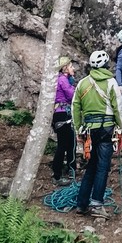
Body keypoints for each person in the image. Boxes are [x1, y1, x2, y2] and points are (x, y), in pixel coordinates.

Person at [72, 50, 122, 217]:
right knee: (102, 167)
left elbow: (75, 106)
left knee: (92, 166)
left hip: (89, 130)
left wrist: (78, 129)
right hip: (106, 129)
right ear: (106, 64)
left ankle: (82, 204)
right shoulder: (111, 83)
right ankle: (96, 204)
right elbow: (119, 108)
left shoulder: (82, 83)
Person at [51, 56, 76, 185]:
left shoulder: (64, 79)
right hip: (62, 115)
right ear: (65, 68)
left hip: (63, 114)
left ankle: (71, 169)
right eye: (71, 66)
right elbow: (71, 95)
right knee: (63, 145)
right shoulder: (62, 80)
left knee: (70, 143)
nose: (74, 69)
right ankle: (57, 175)